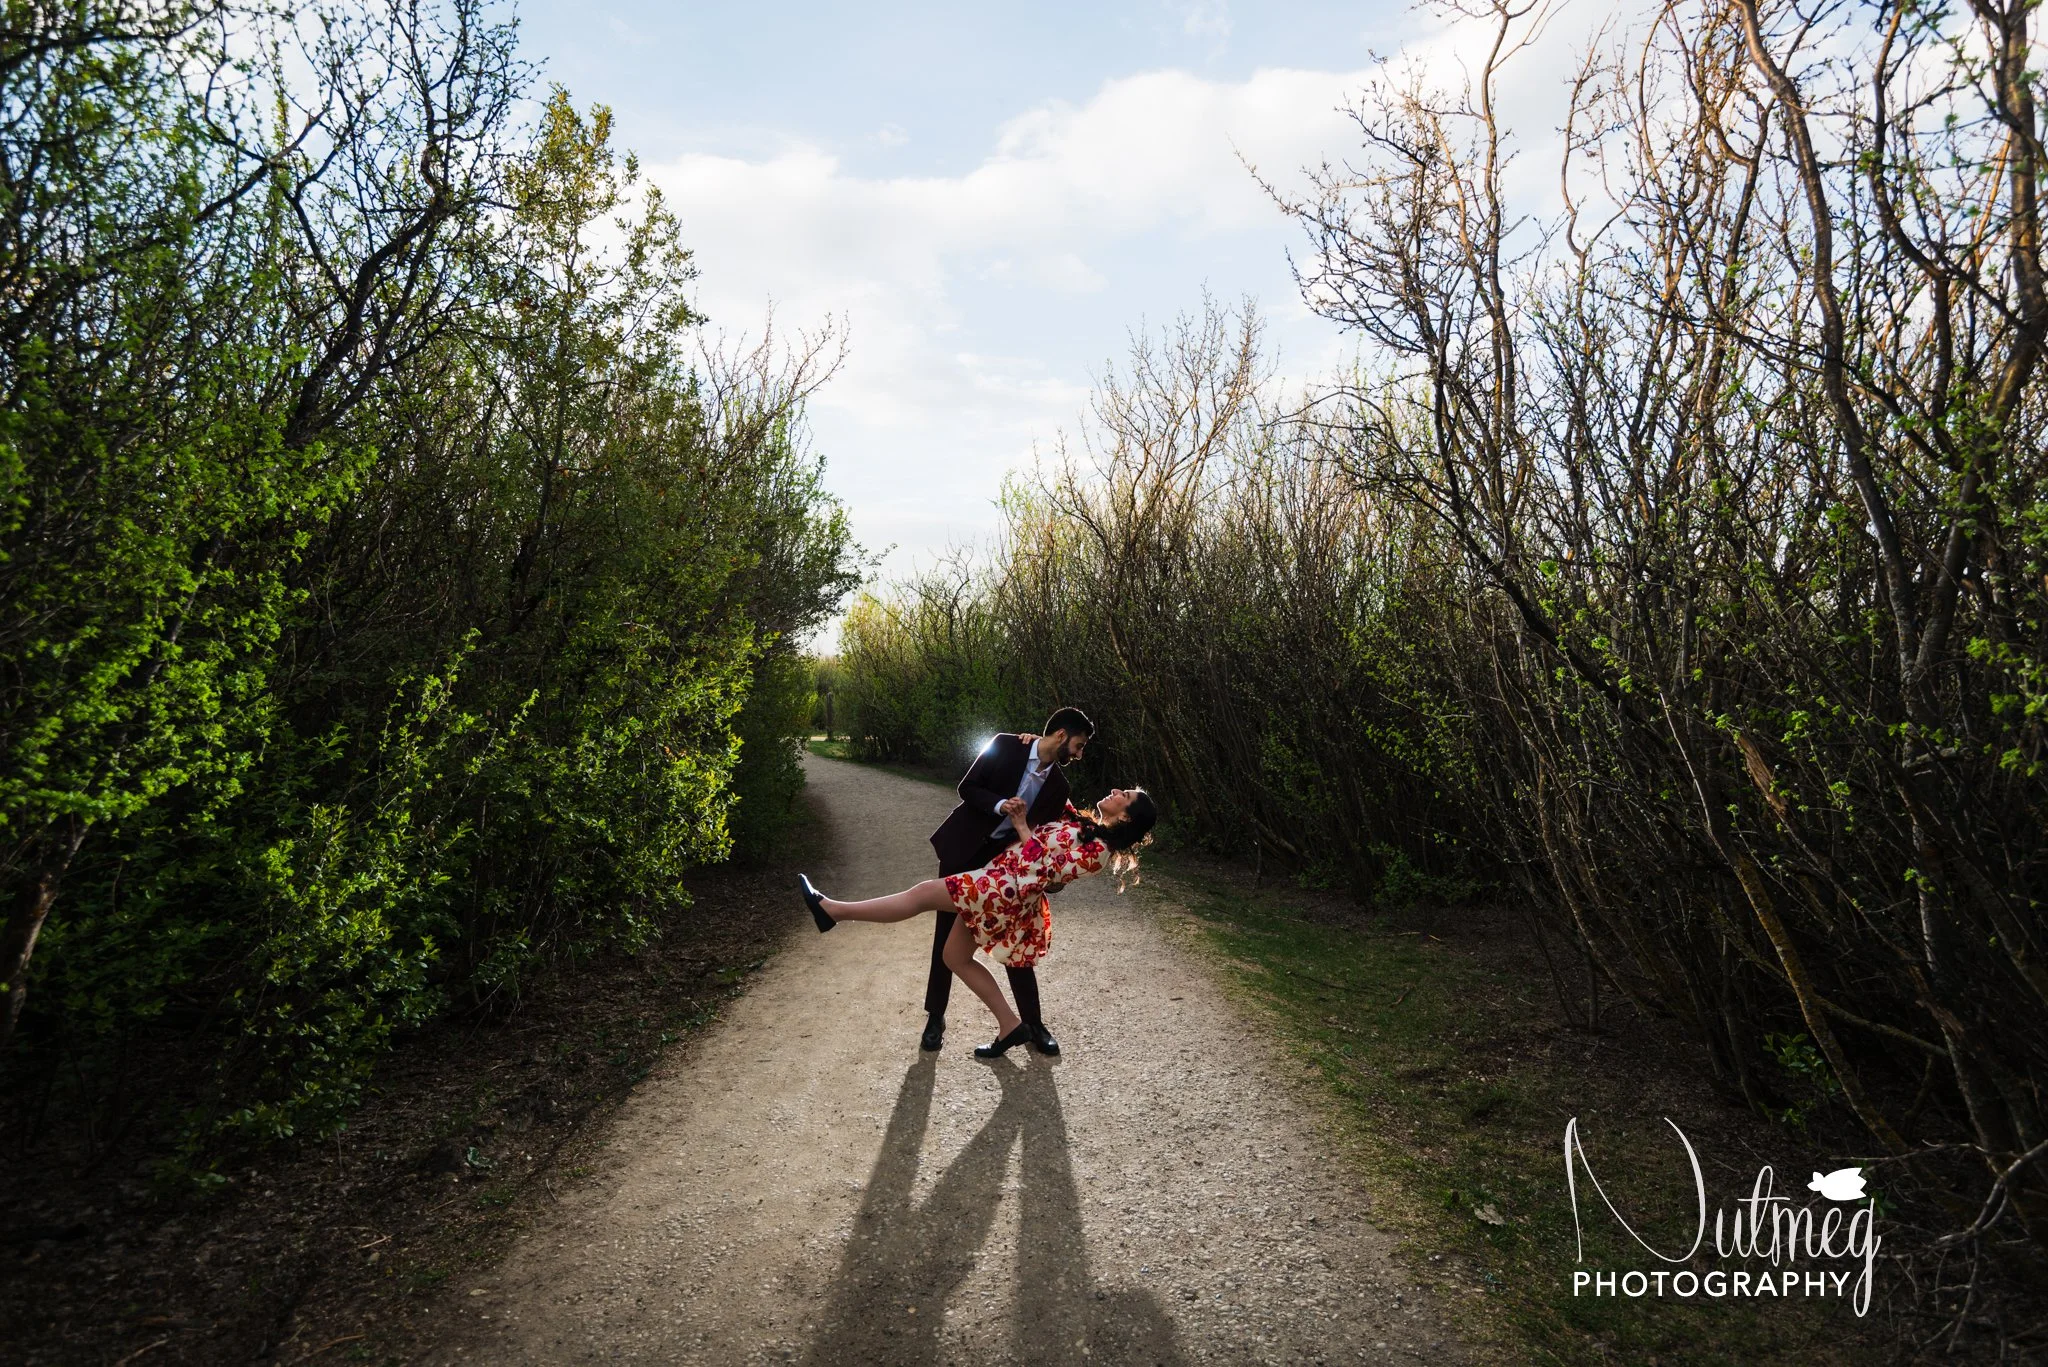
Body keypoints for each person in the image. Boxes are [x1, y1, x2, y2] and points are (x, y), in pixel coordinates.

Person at [798, 787, 1157, 1057]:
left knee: (922, 895)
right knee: (954, 957)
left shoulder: (1099, 854)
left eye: (1123, 795)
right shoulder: (1082, 822)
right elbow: (1046, 783)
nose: (1115, 791)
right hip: (999, 882)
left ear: (1126, 817)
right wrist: (1035, 744)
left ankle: (833, 911)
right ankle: (1010, 1025)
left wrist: (1021, 826)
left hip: (1001, 891)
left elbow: (1046, 872)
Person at [921, 710, 1094, 1055]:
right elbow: (967, 787)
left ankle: (1033, 1024)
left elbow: (1050, 833)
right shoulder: (1006, 745)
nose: (1079, 754)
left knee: (1017, 940)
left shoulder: (1060, 787)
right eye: (1079, 745)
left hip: (1003, 869)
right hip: (963, 851)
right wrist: (1001, 806)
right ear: (1062, 735)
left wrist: (1053, 873)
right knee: (945, 935)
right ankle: (935, 1018)